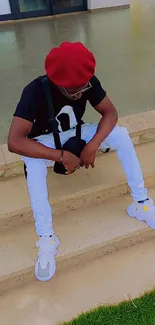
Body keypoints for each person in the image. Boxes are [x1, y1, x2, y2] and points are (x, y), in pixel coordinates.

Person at [8, 41, 155, 282]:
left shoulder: (88, 82)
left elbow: (110, 112)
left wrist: (94, 144)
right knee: (32, 165)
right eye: (74, 89)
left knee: (121, 135)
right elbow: (15, 141)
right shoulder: (34, 91)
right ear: (57, 81)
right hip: (44, 141)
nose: (80, 92)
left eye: (84, 86)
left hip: (76, 131)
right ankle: (46, 238)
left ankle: (142, 203)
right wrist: (60, 156)